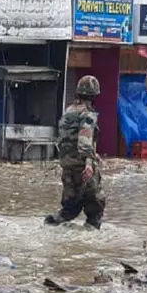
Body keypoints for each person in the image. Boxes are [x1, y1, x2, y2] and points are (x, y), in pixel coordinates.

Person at [44, 75, 106, 230]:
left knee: (70, 207)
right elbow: (84, 141)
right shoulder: (88, 114)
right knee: (95, 207)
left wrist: (92, 155)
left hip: (67, 166)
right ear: (94, 95)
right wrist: (89, 163)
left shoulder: (68, 112)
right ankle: (89, 244)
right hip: (82, 166)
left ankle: (49, 225)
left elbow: (66, 140)